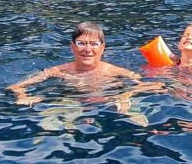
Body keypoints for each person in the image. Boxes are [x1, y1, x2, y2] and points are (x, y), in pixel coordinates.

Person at [8, 21, 139, 105]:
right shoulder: (58, 71)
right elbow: (15, 86)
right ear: (72, 46)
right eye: (81, 43)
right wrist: (22, 96)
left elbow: (149, 85)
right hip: (70, 103)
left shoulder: (114, 71)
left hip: (109, 103)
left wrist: (126, 95)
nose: (88, 50)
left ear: (102, 48)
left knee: (138, 120)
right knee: (49, 124)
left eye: (94, 44)